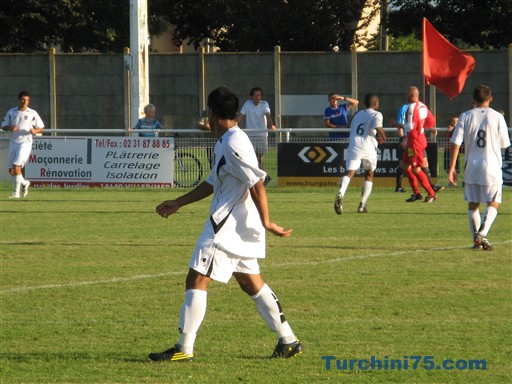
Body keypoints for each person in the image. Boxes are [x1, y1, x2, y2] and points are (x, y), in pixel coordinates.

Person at [149, 86, 302, 362]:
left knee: (196, 278)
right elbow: (212, 182)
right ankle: (288, 340)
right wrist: (179, 202)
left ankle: (184, 348)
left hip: (225, 228)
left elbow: (256, 183)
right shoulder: (226, 141)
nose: (206, 119)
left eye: (207, 113)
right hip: (238, 228)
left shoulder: (234, 143)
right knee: (251, 283)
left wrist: (267, 222)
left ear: (214, 114)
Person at [448, 85, 510, 251]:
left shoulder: (465, 116)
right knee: (494, 202)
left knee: (473, 204)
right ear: (490, 98)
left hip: (471, 166)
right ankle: (482, 233)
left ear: (474, 99)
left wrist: (452, 167)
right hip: (492, 166)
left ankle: (476, 239)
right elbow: (505, 144)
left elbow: (455, 142)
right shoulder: (497, 117)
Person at [334, 93, 386, 214]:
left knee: (350, 172)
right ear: (375, 103)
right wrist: (384, 137)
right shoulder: (377, 114)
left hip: (354, 146)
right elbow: (378, 127)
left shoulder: (357, 115)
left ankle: (341, 192)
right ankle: (362, 206)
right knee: (369, 173)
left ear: (364, 104)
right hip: (368, 147)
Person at [1, 91, 44, 198]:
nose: (25, 102)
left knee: (17, 167)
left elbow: (41, 127)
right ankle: (25, 183)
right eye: (23, 100)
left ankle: (16, 193)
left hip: (25, 143)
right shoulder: (12, 112)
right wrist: (11, 128)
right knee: (12, 170)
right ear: (19, 100)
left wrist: (35, 131)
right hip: (14, 142)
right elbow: (3, 126)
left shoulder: (32, 113)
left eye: (27, 100)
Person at [400, 86, 439, 203]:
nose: (406, 96)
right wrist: (422, 128)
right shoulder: (423, 106)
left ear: (412, 95)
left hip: (415, 142)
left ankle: (432, 194)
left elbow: (410, 126)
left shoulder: (412, 107)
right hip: (415, 140)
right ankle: (416, 193)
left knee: (416, 169)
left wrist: (399, 125)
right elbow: (431, 121)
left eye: (407, 94)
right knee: (405, 166)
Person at [236, 87, 276, 185]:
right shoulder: (247, 104)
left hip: (261, 135)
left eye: (260, 95)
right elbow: (241, 116)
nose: (258, 97)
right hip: (250, 136)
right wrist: (234, 125)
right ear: (252, 96)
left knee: (259, 157)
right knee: (252, 158)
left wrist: (271, 125)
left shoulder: (264, 104)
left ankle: (262, 178)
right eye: (256, 95)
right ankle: (262, 178)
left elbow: (267, 115)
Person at [443, 116, 459, 187]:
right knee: (446, 166)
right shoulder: (449, 128)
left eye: (457, 122)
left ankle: (453, 181)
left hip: (455, 151)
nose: (455, 123)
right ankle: (452, 179)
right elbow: (445, 136)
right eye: (453, 121)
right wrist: (448, 131)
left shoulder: (458, 129)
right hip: (447, 150)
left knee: (455, 167)